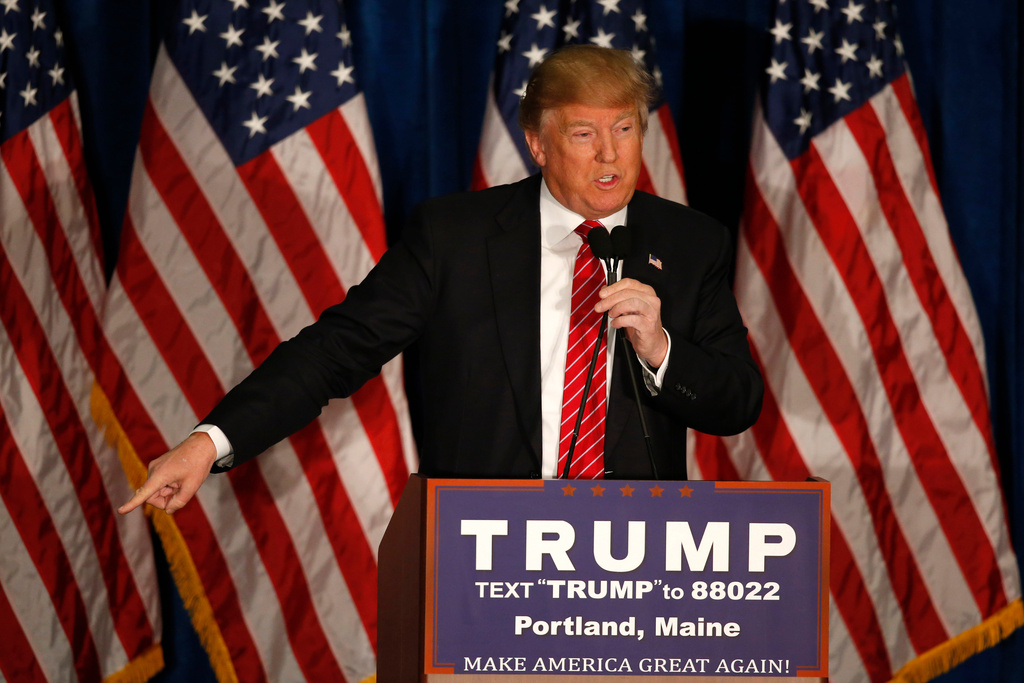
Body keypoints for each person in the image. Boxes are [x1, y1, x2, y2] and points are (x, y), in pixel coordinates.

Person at [119, 45, 763, 516]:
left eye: (625, 129)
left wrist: (661, 350)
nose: (610, 154)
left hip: (641, 567)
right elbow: (335, 352)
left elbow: (737, 401)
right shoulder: (456, 238)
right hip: (486, 553)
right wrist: (209, 444)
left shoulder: (687, 243)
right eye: (584, 133)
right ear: (537, 145)